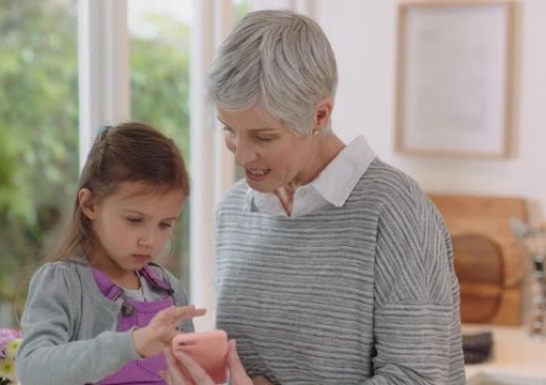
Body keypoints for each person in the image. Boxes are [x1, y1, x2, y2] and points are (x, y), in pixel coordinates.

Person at [165, 9, 466, 385]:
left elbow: (419, 378)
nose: (241, 155)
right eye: (230, 130)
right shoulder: (234, 212)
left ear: (319, 116)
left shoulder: (394, 211)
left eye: (263, 137)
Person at [16, 122, 205, 385]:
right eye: (134, 220)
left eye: (165, 225)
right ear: (90, 204)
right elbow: (32, 369)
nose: (149, 240)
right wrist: (131, 344)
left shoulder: (169, 289)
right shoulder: (62, 282)